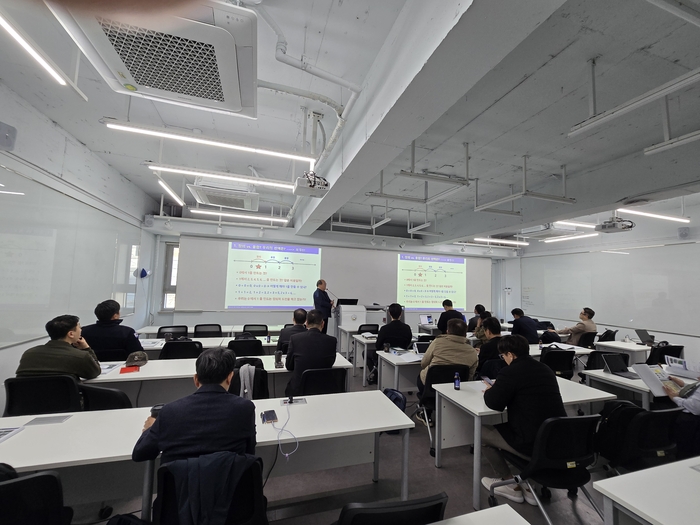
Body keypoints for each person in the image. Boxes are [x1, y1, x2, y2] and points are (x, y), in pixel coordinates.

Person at [481, 335, 567, 505]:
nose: (503, 360)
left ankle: (508, 483)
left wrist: (491, 389)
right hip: (557, 440)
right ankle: (529, 484)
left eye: (503, 356)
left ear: (511, 355)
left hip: (531, 441)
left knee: (481, 433)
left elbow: (494, 403)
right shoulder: (545, 368)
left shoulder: (510, 371)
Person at [132, 347, 256, 464]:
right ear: (230, 378)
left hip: (180, 486)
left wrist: (149, 429)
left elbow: (140, 454)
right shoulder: (245, 408)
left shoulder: (169, 412)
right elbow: (250, 451)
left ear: (196, 379)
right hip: (230, 484)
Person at [416, 318, 477, 426]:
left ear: (448, 331)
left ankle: (426, 411)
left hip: (430, 386)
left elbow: (424, 364)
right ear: (465, 333)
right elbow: (470, 377)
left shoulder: (437, 342)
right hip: (456, 390)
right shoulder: (472, 351)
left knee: (422, 376)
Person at [16, 315, 100, 379]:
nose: (81, 330)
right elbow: (95, 372)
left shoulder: (28, 354)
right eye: (79, 327)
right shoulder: (80, 356)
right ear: (71, 334)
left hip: (30, 401)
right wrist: (86, 348)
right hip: (67, 401)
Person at [285, 309, 337, 397]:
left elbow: (289, 366)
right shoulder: (332, 340)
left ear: (306, 323)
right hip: (326, 388)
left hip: (300, 389)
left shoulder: (295, 339)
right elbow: (330, 363)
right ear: (322, 324)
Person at [367, 303, 412, 384]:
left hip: (386, 354)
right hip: (402, 354)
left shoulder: (384, 329)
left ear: (389, 313)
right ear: (401, 313)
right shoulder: (407, 328)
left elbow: (377, 346)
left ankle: (376, 375)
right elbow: (408, 341)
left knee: (366, 353)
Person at [663, 375, 700, 459]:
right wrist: (683, 385)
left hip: (693, 420)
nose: (698, 377)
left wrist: (675, 398)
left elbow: (694, 408)